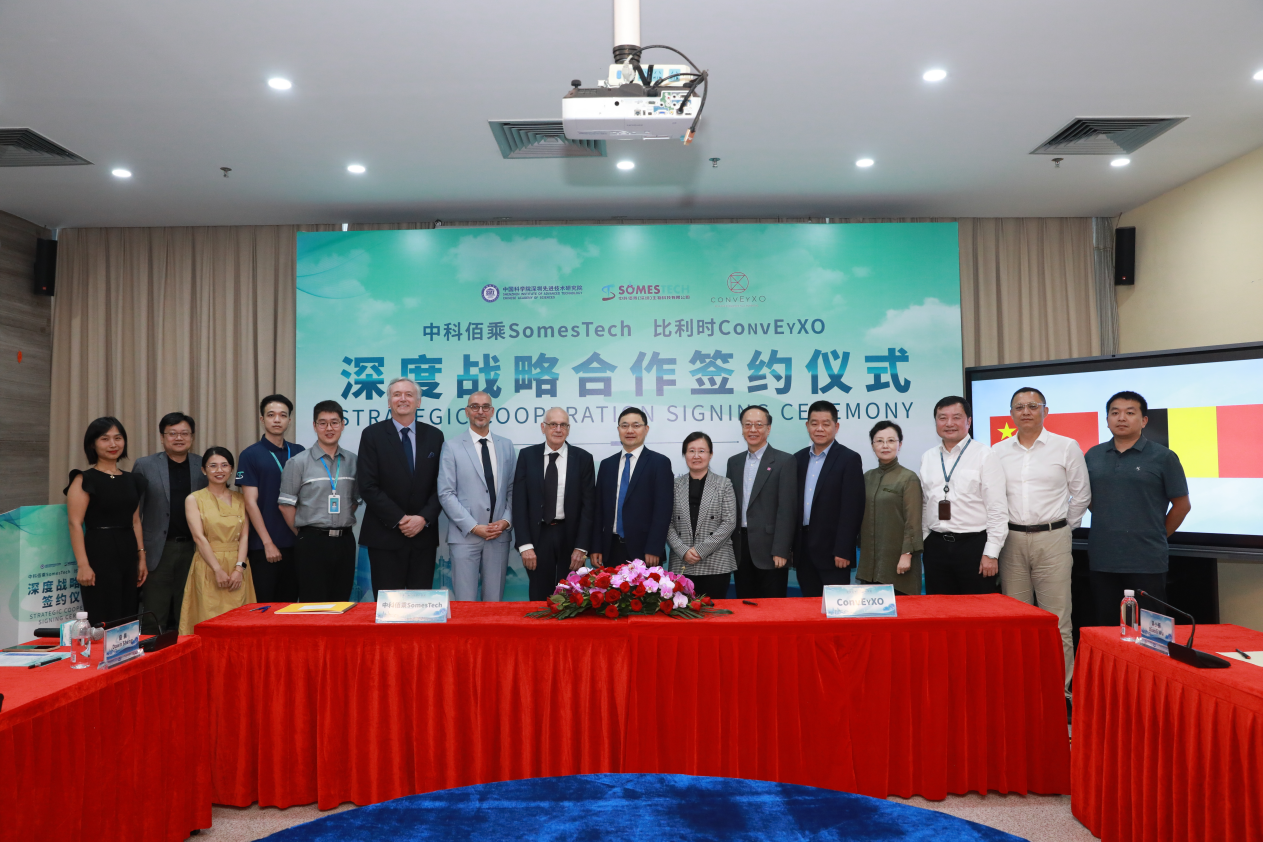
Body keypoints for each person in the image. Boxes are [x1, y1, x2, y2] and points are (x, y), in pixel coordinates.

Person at [993, 386, 1090, 709]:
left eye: (1033, 406)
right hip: (1011, 541)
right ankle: (1020, 690)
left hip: (1053, 538)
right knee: (1016, 621)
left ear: (1045, 411)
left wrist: (1062, 528)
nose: (1026, 412)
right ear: (1011, 414)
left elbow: (1082, 494)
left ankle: (1060, 692)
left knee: (1057, 620)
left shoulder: (1066, 446)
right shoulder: (998, 451)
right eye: (1019, 407)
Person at [1085, 391, 1190, 626]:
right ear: (1107, 420)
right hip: (1103, 558)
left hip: (1146, 559)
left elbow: (1182, 505)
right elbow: (1089, 499)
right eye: (1115, 413)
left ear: (1144, 420)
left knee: (1151, 631)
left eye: (1130, 413)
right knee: (1107, 627)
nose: (1121, 418)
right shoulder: (1093, 455)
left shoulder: (1163, 457)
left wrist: (1157, 534)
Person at [358, 377, 445, 592]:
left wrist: (422, 518)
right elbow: (367, 485)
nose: (403, 399)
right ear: (389, 402)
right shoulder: (372, 435)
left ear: (418, 402)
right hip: (384, 536)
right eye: (397, 395)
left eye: (409, 394)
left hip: (423, 537)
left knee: (421, 606)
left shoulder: (435, 436)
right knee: (388, 606)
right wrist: (400, 519)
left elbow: (443, 485)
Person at [917, 396, 1008, 595]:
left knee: (977, 609)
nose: (949, 423)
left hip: (974, 547)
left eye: (956, 417)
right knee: (939, 608)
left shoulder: (985, 455)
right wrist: (925, 540)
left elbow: (997, 508)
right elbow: (926, 503)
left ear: (969, 421)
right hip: (936, 546)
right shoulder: (928, 457)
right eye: (942, 418)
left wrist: (991, 553)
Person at [65, 417, 148, 626]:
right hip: (99, 551)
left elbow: (135, 521)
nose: (113, 444)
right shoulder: (83, 479)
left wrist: (141, 557)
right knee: (102, 615)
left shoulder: (133, 480)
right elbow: (75, 523)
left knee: (127, 614)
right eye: (105, 439)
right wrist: (83, 565)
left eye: (118, 438)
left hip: (128, 551)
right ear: (92, 444)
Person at [278, 401, 361, 602]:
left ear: (342, 424)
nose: (329, 428)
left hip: (345, 541)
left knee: (341, 602)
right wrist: (305, 534)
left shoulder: (354, 461)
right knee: (313, 604)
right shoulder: (297, 462)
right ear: (314, 426)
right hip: (311, 542)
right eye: (323, 423)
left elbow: (354, 501)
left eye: (334, 422)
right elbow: (285, 505)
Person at [438, 391, 517, 601]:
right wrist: (473, 526)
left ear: (492, 411)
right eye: (474, 407)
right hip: (465, 536)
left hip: (498, 536)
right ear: (467, 412)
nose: (480, 411)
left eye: (485, 407)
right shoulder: (452, 446)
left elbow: (513, 489)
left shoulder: (506, 446)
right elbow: (446, 493)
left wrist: (506, 521)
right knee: (466, 605)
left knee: (494, 603)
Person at [133, 412, 207, 634]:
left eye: (184, 433)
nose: (179, 438)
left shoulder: (202, 465)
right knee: (154, 614)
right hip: (158, 550)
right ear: (162, 437)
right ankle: (151, 651)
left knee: (189, 610)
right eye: (172, 433)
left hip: (193, 549)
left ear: (192, 437)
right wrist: (140, 553)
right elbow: (135, 514)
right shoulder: (145, 465)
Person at [512, 407, 596, 601]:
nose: (558, 429)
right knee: (539, 597)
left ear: (568, 429)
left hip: (570, 536)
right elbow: (519, 502)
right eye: (553, 425)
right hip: (538, 536)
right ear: (543, 427)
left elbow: (589, 506)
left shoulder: (583, 458)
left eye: (563, 425)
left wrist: (582, 547)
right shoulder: (527, 456)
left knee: (571, 597)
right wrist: (525, 545)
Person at [178, 447, 255, 633]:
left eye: (224, 465)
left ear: (231, 469)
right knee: (208, 619)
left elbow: (245, 536)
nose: (219, 470)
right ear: (204, 470)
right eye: (213, 466)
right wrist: (217, 570)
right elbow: (199, 537)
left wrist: (239, 568)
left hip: (237, 565)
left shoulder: (241, 498)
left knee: (240, 621)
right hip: (208, 565)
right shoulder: (194, 499)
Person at [794, 401, 865, 598]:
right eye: (814, 423)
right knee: (809, 606)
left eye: (826, 424)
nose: (819, 428)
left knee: (836, 609)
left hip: (834, 553)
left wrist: (843, 550)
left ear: (836, 426)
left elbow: (853, 509)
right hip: (803, 552)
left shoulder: (849, 459)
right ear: (807, 426)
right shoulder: (798, 459)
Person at [238, 395, 304, 603]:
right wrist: (268, 543)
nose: (277, 420)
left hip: (297, 543)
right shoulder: (250, 454)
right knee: (265, 607)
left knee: (290, 606)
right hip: (264, 546)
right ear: (262, 419)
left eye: (283, 415)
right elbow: (250, 502)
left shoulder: (300, 452)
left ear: (289, 420)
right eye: (271, 415)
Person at [726, 405, 797, 599]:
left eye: (759, 424)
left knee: (773, 609)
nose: (753, 429)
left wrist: (781, 549)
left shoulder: (784, 461)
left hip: (771, 550)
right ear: (742, 428)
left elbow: (787, 510)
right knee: (745, 604)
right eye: (747, 425)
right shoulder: (734, 462)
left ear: (768, 428)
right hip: (740, 548)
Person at [591, 407, 674, 568]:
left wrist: (654, 547)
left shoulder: (659, 463)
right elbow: (598, 509)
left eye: (636, 425)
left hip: (645, 551)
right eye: (625, 426)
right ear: (618, 429)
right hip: (610, 549)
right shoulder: (607, 465)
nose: (630, 430)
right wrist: (596, 546)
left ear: (646, 429)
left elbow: (663, 510)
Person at [667, 432, 737, 600]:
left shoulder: (724, 484)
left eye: (702, 451)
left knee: (713, 613)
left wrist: (700, 550)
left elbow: (729, 522)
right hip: (681, 563)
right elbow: (666, 522)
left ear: (710, 454)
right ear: (684, 454)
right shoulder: (673, 485)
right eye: (691, 451)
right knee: (681, 613)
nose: (696, 456)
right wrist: (683, 551)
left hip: (716, 563)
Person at [857, 421, 923, 595]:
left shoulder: (908, 478)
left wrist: (907, 554)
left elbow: (913, 521)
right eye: (879, 441)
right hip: (869, 563)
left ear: (899, 444)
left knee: (901, 609)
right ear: (873, 445)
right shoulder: (867, 477)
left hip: (899, 562)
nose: (885, 445)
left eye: (891, 440)